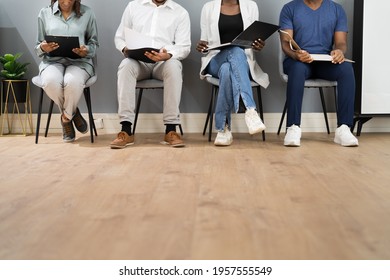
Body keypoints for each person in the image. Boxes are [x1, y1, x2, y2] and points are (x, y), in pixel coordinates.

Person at [110, 0, 191, 149]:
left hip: (163, 62)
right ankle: (126, 130)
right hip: (138, 62)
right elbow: (120, 37)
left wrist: (168, 55)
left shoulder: (180, 12)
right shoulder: (133, 6)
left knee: (174, 66)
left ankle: (171, 130)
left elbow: (184, 46)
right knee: (125, 66)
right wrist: (125, 49)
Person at [279, 0, 358, 147]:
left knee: (346, 68)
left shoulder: (336, 10)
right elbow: (285, 43)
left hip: (324, 62)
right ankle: (293, 127)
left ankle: (344, 128)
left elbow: (341, 42)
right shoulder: (290, 8)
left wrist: (339, 51)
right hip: (299, 60)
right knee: (297, 69)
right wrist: (296, 55)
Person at [196, 0, 268, 146]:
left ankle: (223, 129)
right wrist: (201, 46)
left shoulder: (251, 6)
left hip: (242, 63)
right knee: (235, 51)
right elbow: (205, 42)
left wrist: (258, 45)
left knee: (227, 70)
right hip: (215, 60)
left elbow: (254, 41)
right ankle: (250, 109)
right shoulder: (208, 8)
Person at [34, 0, 99, 142]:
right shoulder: (45, 13)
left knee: (72, 81)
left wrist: (86, 50)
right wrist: (43, 48)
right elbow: (38, 45)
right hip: (52, 61)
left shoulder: (87, 13)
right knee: (50, 81)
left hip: (79, 62)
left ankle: (66, 118)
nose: (67, 1)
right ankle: (72, 113)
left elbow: (94, 43)